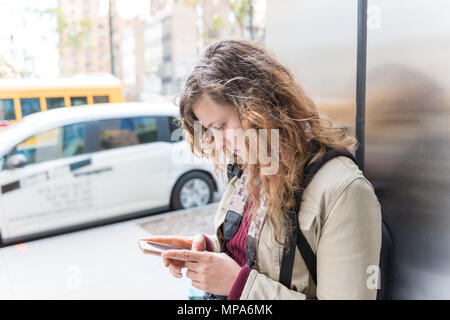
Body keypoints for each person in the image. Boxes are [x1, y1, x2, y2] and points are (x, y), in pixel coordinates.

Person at [145, 39, 382, 300]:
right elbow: (260, 252)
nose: (219, 142)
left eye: (222, 126)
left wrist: (239, 285)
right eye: (210, 130)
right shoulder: (250, 165)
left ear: (258, 110)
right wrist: (207, 250)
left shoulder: (343, 191)